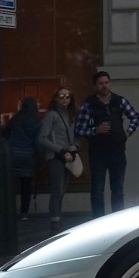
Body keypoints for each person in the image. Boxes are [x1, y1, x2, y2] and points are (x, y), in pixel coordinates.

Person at [75, 70, 139, 217]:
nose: (104, 86)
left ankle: (117, 218)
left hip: (117, 152)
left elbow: (135, 117)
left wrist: (127, 132)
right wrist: (95, 130)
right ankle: (98, 219)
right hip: (98, 153)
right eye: (100, 83)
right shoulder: (89, 104)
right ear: (95, 86)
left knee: (117, 189)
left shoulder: (119, 101)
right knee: (97, 189)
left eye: (106, 82)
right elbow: (79, 128)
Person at [38, 87, 78, 234]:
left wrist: (75, 146)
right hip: (56, 157)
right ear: (55, 98)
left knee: (62, 191)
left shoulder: (72, 115)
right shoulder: (51, 115)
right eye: (61, 96)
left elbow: (75, 136)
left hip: (69, 156)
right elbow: (42, 138)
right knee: (57, 191)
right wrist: (61, 151)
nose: (64, 99)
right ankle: (55, 224)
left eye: (67, 96)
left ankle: (58, 220)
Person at [2, 96, 43, 220]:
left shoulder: (16, 118)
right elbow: (38, 142)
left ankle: (9, 209)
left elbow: (5, 133)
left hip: (13, 154)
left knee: (11, 185)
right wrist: (40, 158)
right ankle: (24, 212)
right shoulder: (36, 121)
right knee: (26, 185)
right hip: (28, 155)